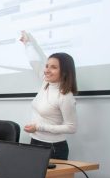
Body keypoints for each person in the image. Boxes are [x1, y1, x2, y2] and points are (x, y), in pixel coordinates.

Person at [20, 31, 78, 160]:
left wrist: (38, 127)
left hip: (53, 148)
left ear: (64, 71)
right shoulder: (46, 83)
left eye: (53, 67)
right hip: (35, 142)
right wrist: (27, 43)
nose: (47, 70)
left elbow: (71, 127)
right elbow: (34, 62)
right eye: (47, 66)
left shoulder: (65, 96)